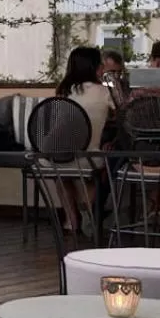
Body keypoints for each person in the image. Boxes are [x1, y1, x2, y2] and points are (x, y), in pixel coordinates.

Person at [52, 46, 116, 235]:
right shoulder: (105, 91)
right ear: (94, 67)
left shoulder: (64, 90)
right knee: (97, 170)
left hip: (57, 156)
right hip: (89, 157)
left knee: (61, 175)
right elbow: (122, 114)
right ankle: (92, 214)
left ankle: (71, 220)